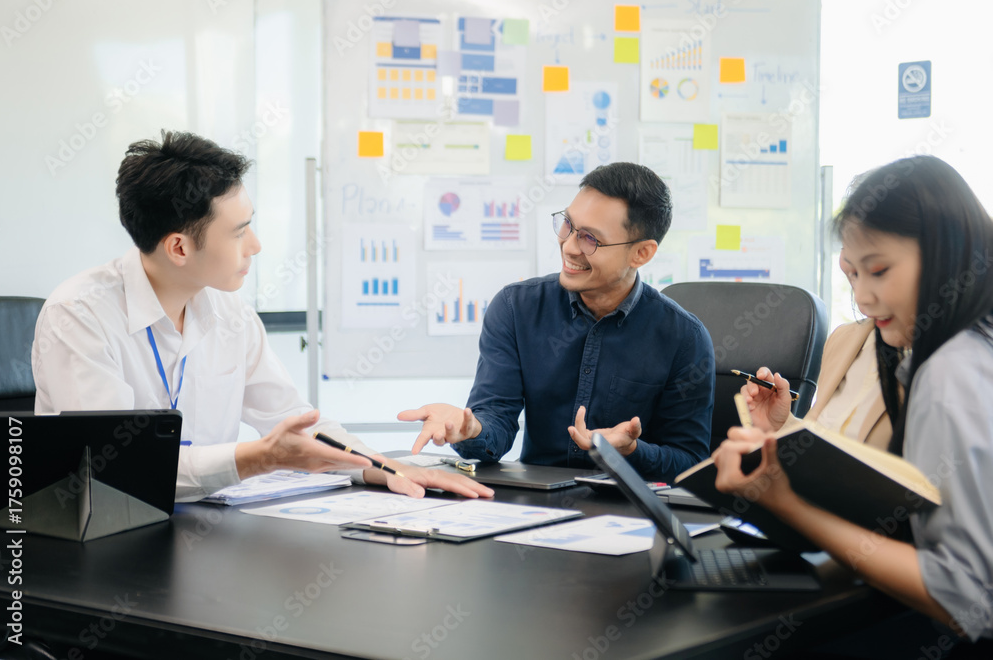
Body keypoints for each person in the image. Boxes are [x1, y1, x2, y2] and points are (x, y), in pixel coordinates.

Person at [32, 130, 493, 503]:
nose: (255, 245)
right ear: (179, 248)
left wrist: (383, 467)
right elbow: (119, 469)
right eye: (239, 232)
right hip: (103, 548)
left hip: (204, 534)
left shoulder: (229, 312)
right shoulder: (79, 316)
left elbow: (294, 422)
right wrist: (259, 458)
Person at [713, 156, 993, 651]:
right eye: (852, 273)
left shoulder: (950, 371)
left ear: (946, 252)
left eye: (878, 271)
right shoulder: (960, 349)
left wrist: (786, 504)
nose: (862, 297)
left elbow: (968, 598)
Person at [398, 162, 714, 482]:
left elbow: (690, 462)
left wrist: (632, 450)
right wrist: (470, 430)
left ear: (641, 253)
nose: (569, 246)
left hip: (628, 505)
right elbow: (495, 423)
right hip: (535, 500)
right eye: (568, 225)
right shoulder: (516, 308)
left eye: (590, 238)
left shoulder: (684, 338)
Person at [740, 256, 891, 449]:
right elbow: (821, 439)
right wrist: (782, 425)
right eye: (846, 248)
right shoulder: (843, 339)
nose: (860, 297)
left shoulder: (926, 364)